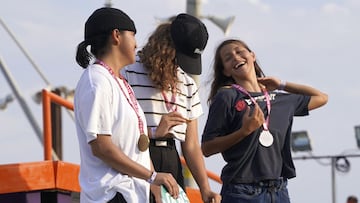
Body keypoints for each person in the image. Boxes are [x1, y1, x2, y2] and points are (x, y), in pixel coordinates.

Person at [201, 39, 328, 203]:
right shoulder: (226, 97)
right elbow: (207, 147)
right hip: (242, 192)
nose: (235, 57)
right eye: (228, 57)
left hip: (279, 191)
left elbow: (321, 98)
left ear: (252, 56)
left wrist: (282, 84)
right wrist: (243, 132)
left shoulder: (280, 99)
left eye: (240, 51)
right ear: (225, 71)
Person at [74, 7, 179, 203]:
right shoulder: (96, 81)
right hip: (109, 195)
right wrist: (152, 176)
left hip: (131, 194)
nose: (136, 44)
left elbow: (136, 143)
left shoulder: (119, 80)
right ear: (116, 36)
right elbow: (101, 147)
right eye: (133, 35)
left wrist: (153, 179)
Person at [123, 14, 221, 203]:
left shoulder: (187, 84)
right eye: (181, 57)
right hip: (137, 154)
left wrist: (205, 189)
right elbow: (121, 129)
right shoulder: (128, 70)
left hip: (171, 157)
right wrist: (154, 133)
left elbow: (191, 145)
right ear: (166, 47)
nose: (181, 65)